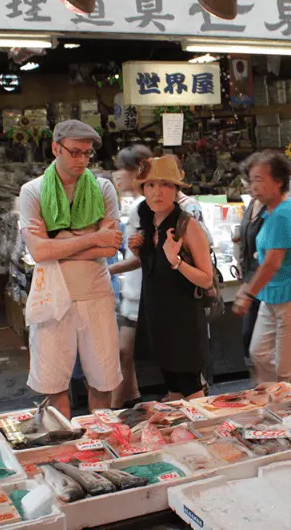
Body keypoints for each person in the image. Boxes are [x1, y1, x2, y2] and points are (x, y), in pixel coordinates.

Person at [17, 120, 123, 417]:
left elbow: (110, 248)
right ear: (55, 148)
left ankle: (99, 440)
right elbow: (39, 252)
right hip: (51, 294)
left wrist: (59, 240)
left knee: (103, 381)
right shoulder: (33, 191)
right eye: (74, 152)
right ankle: (64, 445)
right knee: (54, 384)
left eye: (87, 154)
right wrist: (92, 238)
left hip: (96, 293)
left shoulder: (103, 188)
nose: (81, 160)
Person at [109, 145, 213, 407]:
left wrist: (176, 260)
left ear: (176, 189)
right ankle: (184, 443)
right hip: (157, 315)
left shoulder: (187, 224)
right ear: (143, 188)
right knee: (174, 390)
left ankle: (206, 439)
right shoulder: (149, 220)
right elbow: (152, 267)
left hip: (183, 321)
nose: (157, 192)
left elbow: (206, 279)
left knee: (191, 390)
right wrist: (140, 253)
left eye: (165, 185)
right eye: (151, 185)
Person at [233, 151, 291, 390]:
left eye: (259, 179)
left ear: (278, 181)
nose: (253, 186)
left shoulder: (283, 213)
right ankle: (276, 405)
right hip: (272, 295)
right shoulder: (269, 211)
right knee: (259, 354)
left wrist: (248, 294)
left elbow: (273, 262)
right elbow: (269, 255)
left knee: (289, 371)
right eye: (251, 180)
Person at [233, 185, 266, 361]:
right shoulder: (252, 204)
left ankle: (274, 387)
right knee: (250, 340)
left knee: (261, 347)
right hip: (252, 279)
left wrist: (247, 290)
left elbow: (269, 258)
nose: (249, 184)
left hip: (266, 284)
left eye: (256, 179)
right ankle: (263, 385)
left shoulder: (275, 210)